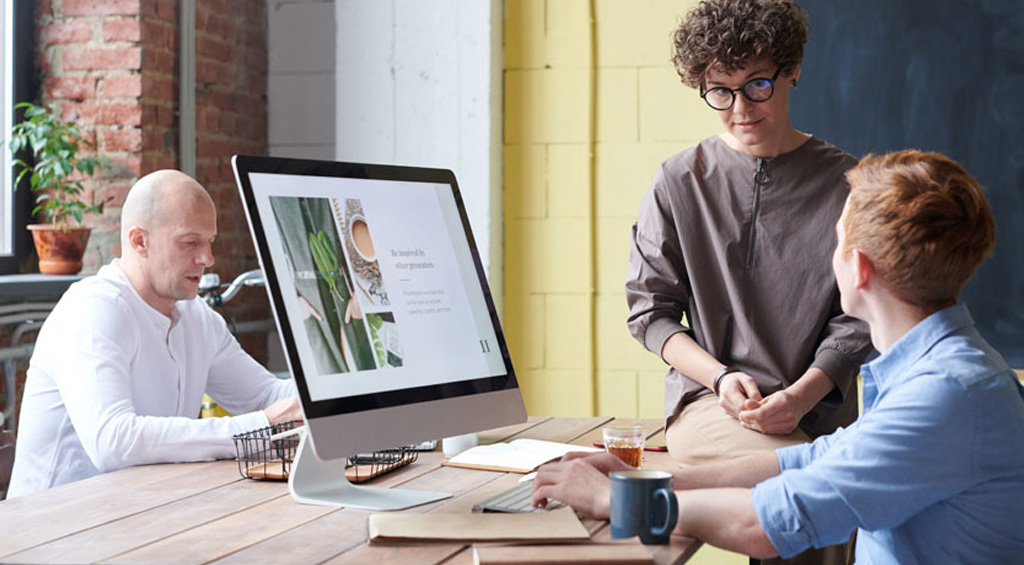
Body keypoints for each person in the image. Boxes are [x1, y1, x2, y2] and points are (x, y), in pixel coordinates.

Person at [534, 150, 1024, 562]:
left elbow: (764, 526)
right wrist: (648, 477)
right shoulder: (941, 374)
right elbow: (808, 460)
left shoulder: (944, 396)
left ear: (857, 268)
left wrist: (613, 500)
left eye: (836, 239)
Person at [627, 0, 871, 470]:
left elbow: (859, 318)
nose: (740, 109)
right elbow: (651, 314)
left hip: (821, 414)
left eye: (758, 84)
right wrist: (720, 378)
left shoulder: (849, 183)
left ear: (792, 69)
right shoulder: (679, 181)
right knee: (815, 482)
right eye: (721, 91)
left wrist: (801, 396)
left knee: (824, 489)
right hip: (711, 404)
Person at [7, 170, 301, 498]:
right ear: (139, 241)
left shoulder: (197, 317)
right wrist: (259, 426)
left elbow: (267, 396)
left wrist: (334, 393)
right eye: (190, 242)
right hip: (56, 523)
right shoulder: (95, 309)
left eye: (210, 242)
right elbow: (114, 442)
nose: (207, 258)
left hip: (141, 510)